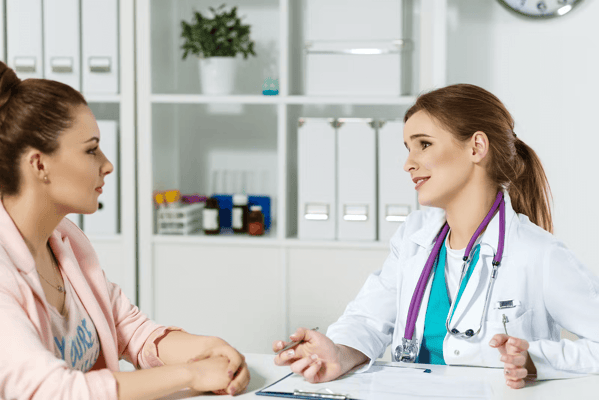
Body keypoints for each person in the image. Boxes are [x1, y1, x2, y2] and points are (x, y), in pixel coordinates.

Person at [273, 83, 599, 389]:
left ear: (476, 147)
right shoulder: (414, 237)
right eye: (408, 148)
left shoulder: (537, 252)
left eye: (424, 144)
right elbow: (368, 321)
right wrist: (337, 354)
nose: (408, 164)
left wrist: (534, 359)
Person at [0, 61, 249, 399]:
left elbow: (129, 329)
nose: (107, 164)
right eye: (91, 149)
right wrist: (192, 372)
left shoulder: (65, 241)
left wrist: (210, 350)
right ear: (39, 164)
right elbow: (52, 391)